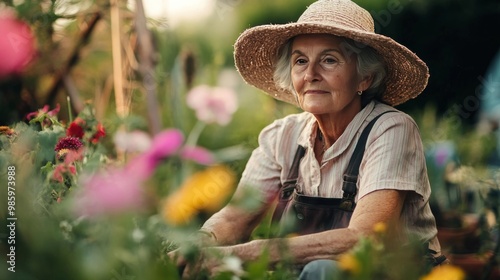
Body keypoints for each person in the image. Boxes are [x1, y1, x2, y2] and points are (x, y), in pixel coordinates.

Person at [171, 0, 444, 278]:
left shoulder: (391, 129)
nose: (311, 74)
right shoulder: (281, 136)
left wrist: (249, 253)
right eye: (300, 61)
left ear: (364, 78)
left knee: (321, 269)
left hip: (392, 273)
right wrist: (199, 245)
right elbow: (234, 218)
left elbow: (366, 238)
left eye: (329, 60)